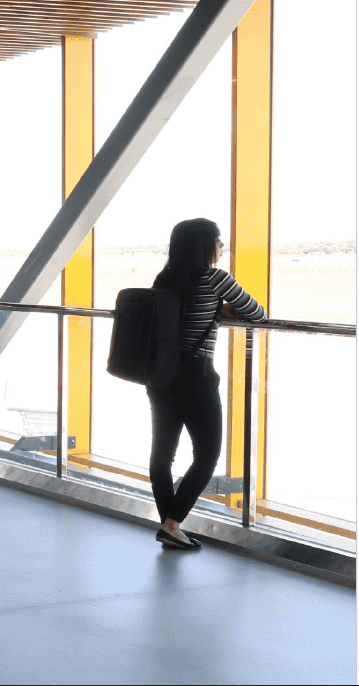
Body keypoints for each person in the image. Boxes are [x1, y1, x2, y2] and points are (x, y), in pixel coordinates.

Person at [147, 218, 265, 551]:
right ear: (204, 245)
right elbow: (257, 313)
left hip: (160, 378)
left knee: (161, 458)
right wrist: (221, 308)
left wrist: (215, 309)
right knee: (207, 455)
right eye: (218, 240)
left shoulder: (163, 279)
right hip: (196, 379)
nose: (222, 246)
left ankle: (170, 526)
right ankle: (172, 525)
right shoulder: (214, 279)